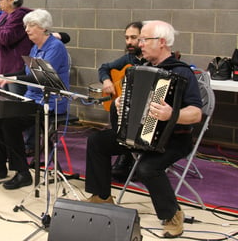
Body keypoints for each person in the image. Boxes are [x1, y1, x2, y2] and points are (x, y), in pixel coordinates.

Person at [84, 20, 202, 238]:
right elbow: (136, 103)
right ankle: (102, 197)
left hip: (174, 139)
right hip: (141, 134)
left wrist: (171, 115)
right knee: (97, 142)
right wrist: (123, 103)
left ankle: (172, 215)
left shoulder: (181, 73)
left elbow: (196, 113)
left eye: (144, 40)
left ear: (162, 42)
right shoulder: (142, 70)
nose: (140, 44)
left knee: (147, 169)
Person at [0, 9, 70, 190]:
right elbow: (26, 73)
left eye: (31, 25)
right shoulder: (34, 47)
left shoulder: (55, 47)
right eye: (26, 25)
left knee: (10, 123)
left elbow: (42, 77)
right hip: (32, 99)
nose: (27, 29)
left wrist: (11, 79)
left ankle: (22, 173)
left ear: (43, 28)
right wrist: (4, 75)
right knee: (1, 114)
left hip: (50, 103)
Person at [98, 21, 146, 180]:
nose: (129, 42)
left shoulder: (151, 59)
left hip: (146, 110)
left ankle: (132, 157)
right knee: (114, 106)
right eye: (126, 38)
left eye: (133, 37)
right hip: (128, 107)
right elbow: (104, 67)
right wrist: (106, 81)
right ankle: (125, 154)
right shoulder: (130, 58)